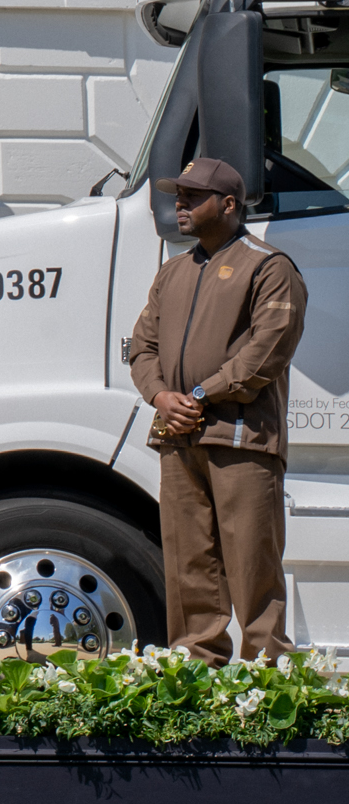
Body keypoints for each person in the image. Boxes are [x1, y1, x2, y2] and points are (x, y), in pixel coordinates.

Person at [130, 156, 307, 664]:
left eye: (192, 195)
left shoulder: (270, 266)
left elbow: (267, 351)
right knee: (189, 568)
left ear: (229, 205)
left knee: (254, 567)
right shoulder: (172, 272)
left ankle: (268, 682)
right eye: (178, 194)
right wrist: (163, 397)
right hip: (177, 435)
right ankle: (195, 673)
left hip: (242, 438)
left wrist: (201, 396)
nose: (179, 203)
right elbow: (141, 348)